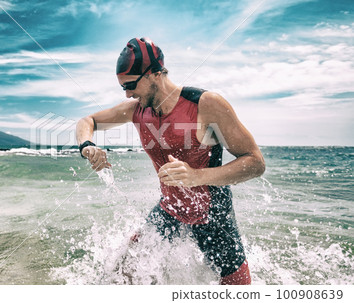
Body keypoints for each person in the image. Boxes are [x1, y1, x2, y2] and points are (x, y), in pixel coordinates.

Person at [75, 37, 265, 285]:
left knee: (238, 290)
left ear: (154, 73)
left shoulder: (206, 104)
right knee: (119, 275)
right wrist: (87, 146)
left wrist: (196, 176)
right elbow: (87, 121)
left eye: (131, 84)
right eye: (123, 87)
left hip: (213, 217)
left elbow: (255, 162)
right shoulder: (136, 110)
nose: (127, 93)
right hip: (171, 210)